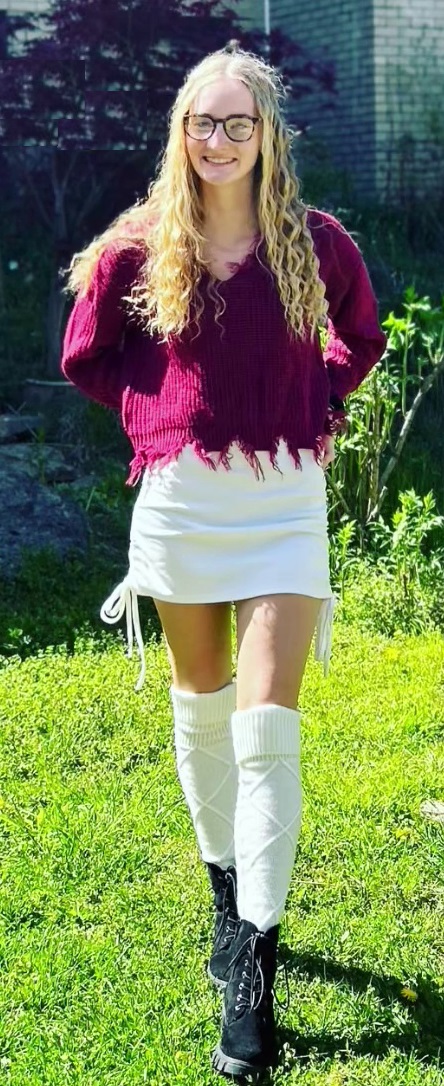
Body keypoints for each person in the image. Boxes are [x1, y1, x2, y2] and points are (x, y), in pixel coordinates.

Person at [60, 44, 386, 1081]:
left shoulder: (317, 243)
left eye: (239, 122)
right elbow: (86, 356)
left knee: (264, 732)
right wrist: (158, 419)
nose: (219, 139)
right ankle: (225, 893)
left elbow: (360, 338)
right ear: (182, 132)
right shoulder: (139, 246)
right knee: (200, 716)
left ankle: (255, 966)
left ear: (267, 134)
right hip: (182, 508)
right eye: (204, 121)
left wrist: (314, 402)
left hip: (285, 503)